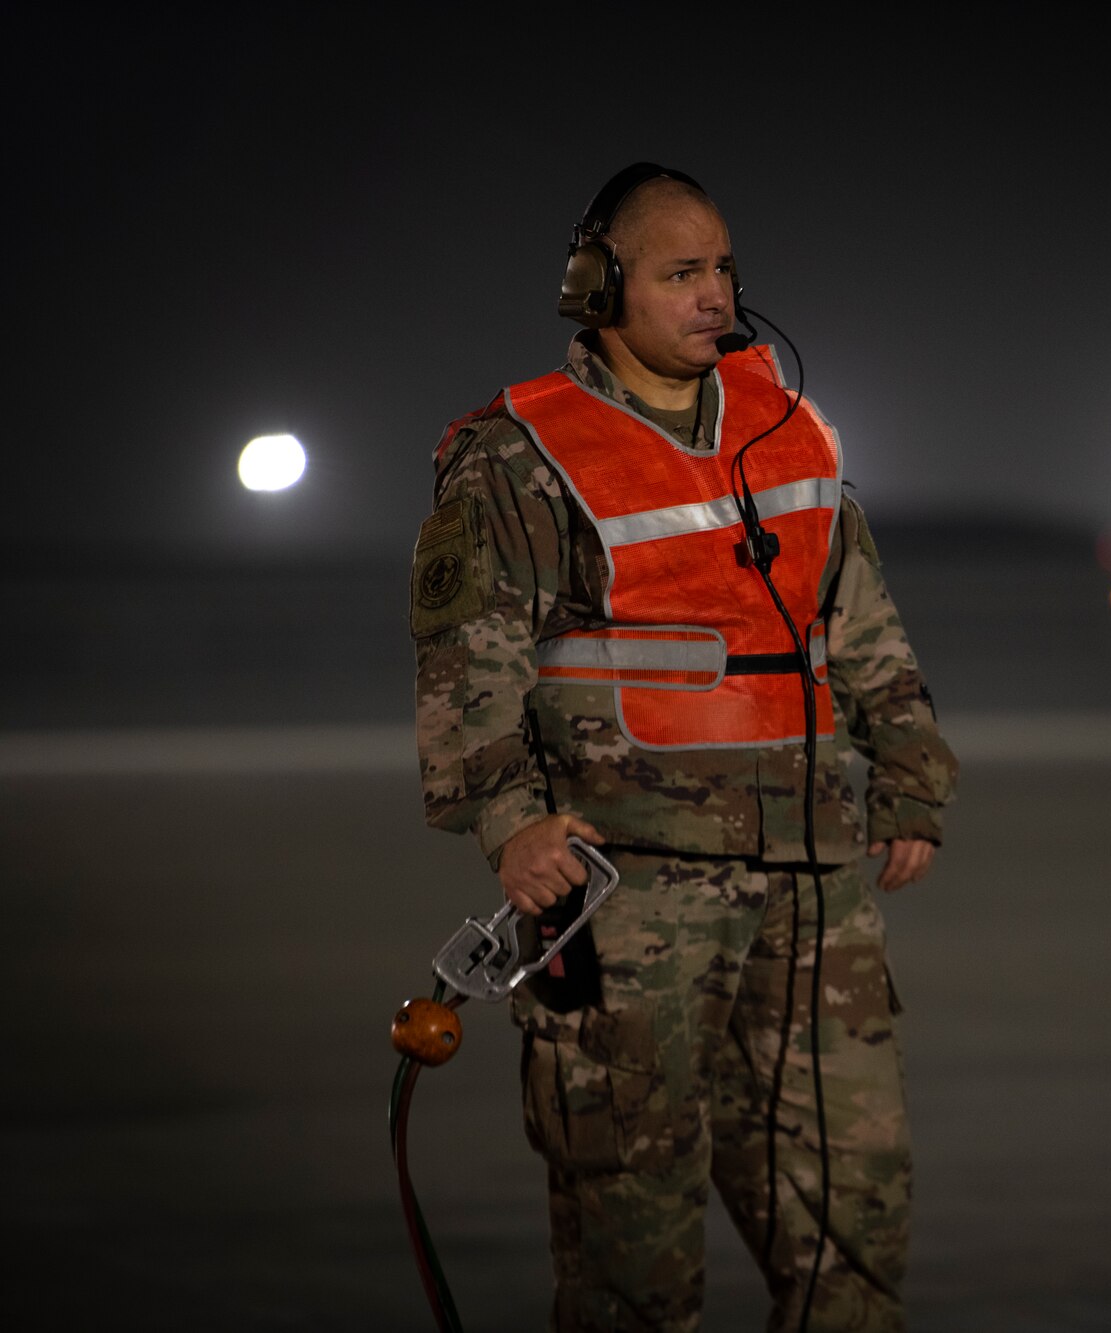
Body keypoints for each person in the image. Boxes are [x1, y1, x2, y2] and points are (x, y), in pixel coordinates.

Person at [409, 164, 956, 1333]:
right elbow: (468, 661)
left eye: (722, 271)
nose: (713, 297)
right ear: (600, 287)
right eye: (679, 274)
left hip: (812, 886)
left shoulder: (790, 428)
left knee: (854, 1216)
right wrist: (510, 823)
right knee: (631, 1232)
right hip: (629, 890)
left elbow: (855, 621)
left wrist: (910, 775)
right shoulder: (519, 452)